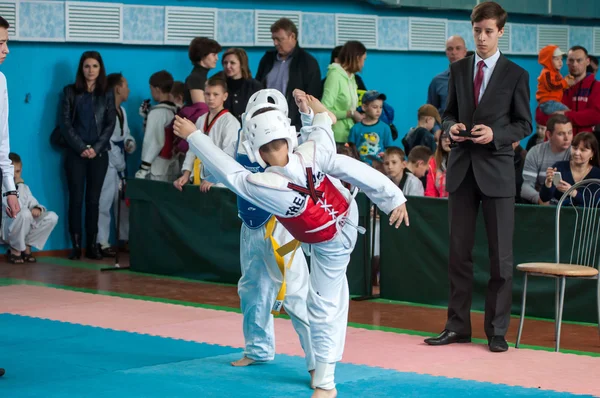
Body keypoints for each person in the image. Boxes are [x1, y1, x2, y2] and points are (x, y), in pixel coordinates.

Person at [173, 90, 409, 398]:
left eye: (275, 141)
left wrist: (194, 137)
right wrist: (312, 113)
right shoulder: (309, 151)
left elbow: (231, 175)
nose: (273, 148)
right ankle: (262, 350)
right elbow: (329, 128)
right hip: (337, 223)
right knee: (259, 288)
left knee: (317, 304)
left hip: (329, 243)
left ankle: (323, 379)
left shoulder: (268, 185)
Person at [424, 1, 532, 353]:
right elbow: (448, 111)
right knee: (458, 254)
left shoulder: (517, 74)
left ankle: (497, 330)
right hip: (462, 171)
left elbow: (524, 124)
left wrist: (496, 135)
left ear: (501, 32)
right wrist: (448, 126)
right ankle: (457, 326)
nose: (482, 38)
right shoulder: (458, 69)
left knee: (501, 257)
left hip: (498, 171)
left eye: (488, 32)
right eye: (477, 31)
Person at [216, 89, 315, 386]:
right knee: (252, 290)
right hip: (250, 227)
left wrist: (308, 115)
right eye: (255, 117)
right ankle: (258, 349)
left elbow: (313, 146)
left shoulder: (288, 146)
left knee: (297, 296)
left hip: (281, 228)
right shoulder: (241, 141)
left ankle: (317, 364)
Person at [61, 51, 116, 260]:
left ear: (100, 68)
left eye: (94, 66)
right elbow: (65, 123)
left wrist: (96, 147)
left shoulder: (107, 92)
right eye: (86, 66)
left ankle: (92, 245)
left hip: (99, 154)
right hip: (76, 154)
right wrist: (81, 147)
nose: (90, 70)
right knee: (75, 199)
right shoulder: (69, 91)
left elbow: (110, 123)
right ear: (81, 68)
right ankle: (76, 246)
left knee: (94, 200)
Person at [255, 18, 321, 131]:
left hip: (294, 123)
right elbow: (257, 87)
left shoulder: (308, 62)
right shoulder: (267, 59)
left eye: (279, 39)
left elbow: (313, 96)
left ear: (292, 36)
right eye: (273, 39)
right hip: (266, 120)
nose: (275, 43)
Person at [97, 73, 136, 256]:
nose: (128, 90)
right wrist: (119, 163)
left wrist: (130, 143)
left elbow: (125, 134)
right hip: (108, 163)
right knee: (104, 202)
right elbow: (108, 141)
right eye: (126, 85)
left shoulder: (122, 111)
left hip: (120, 162)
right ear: (118, 88)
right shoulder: (105, 110)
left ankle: (124, 239)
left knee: (122, 203)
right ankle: (102, 242)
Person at [0, 15, 19, 378]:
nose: (5, 50)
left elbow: (1, 141)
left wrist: (10, 188)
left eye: (6, 42)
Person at [2, 153, 58, 263]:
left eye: (17, 171)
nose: (15, 175)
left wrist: (37, 208)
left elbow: (33, 202)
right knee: (24, 213)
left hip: (24, 222)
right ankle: (15, 250)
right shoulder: (3, 187)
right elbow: (13, 207)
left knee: (52, 217)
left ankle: (26, 245)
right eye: (11, 172)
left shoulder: (24, 187)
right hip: (8, 227)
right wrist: (15, 187)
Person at [135, 71, 179, 181]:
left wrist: (144, 167)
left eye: (151, 89)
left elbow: (154, 141)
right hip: (173, 163)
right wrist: (146, 117)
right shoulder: (176, 110)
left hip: (157, 166)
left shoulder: (157, 113)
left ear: (157, 89)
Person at [540, 132, 600, 205]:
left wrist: (573, 193)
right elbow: (544, 198)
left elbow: (595, 204)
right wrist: (548, 183)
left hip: (585, 216)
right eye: (575, 148)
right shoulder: (559, 167)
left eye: (583, 150)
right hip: (559, 215)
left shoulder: (597, 174)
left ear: (592, 153)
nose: (577, 153)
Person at [347, 90, 393, 165]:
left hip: (379, 168)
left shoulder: (385, 128)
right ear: (364, 107)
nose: (378, 110)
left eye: (381, 107)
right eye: (375, 107)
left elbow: (390, 150)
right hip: (359, 167)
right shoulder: (355, 129)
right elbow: (350, 151)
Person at [535, 45, 574, 116]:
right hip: (548, 103)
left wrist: (568, 82)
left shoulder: (556, 73)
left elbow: (559, 86)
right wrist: (565, 82)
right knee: (569, 114)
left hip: (553, 102)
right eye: (557, 59)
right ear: (548, 60)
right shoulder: (547, 73)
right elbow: (551, 85)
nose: (560, 62)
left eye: (561, 59)